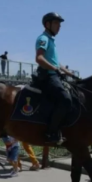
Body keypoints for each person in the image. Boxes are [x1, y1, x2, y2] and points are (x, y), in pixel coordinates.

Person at [34, 12, 77, 144]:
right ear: (48, 24)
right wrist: (55, 69)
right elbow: (39, 58)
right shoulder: (43, 39)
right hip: (48, 77)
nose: (59, 26)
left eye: (59, 24)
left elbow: (56, 63)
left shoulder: (51, 40)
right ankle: (51, 132)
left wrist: (69, 73)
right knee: (65, 99)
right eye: (56, 23)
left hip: (54, 74)